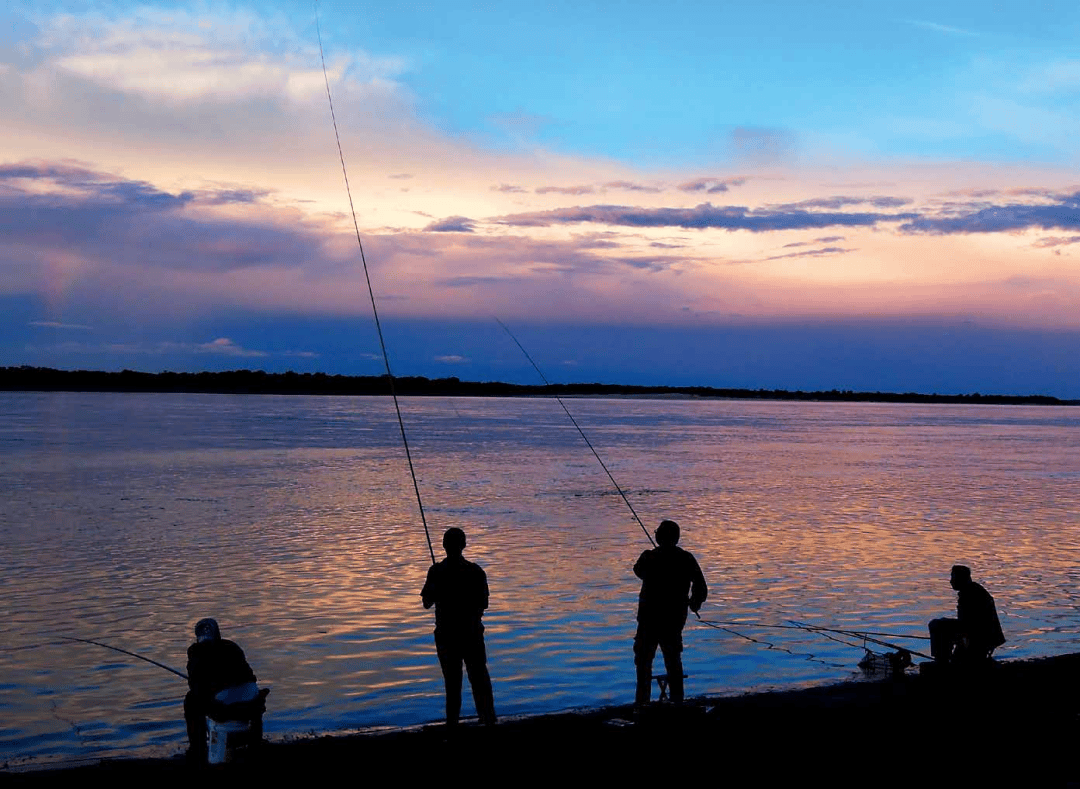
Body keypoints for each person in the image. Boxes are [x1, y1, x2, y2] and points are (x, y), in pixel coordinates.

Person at [421, 528, 496, 726]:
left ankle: (453, 724)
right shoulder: (476, 571)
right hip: (472, 633)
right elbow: (484, 604)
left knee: (452, 683)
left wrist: (437, 589)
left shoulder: (436, 571)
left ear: (444, 546)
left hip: (447, 636)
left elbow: (426, 603)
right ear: (464, 545)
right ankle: (488, 720)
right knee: (479, 678)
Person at [633, 519, 708, 705]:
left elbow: (638, 571)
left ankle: (642, 703)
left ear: (659, 537)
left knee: (644, 662)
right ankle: (677, 702)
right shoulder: (686, 558)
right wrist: (695, 603)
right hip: (674, 619)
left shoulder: (649, 557)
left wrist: (656, 558)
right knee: (673, 660)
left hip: (649, 619)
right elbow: (701, 586)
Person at [184, 618, 265, 761]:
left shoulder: (195, 651)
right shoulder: (232, 647)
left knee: (191, 700)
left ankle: (197, 749)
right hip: (250, 698)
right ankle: (255, 743)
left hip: (227, 705)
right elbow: (249, 676)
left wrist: (208, 690)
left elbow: (196, 686)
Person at [928, 565, 1006, 665]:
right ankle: (944, 658)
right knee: (941, 624)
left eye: (953, 578)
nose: (951, 581)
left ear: (961, 579)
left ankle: (941, 660)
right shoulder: (973, 590)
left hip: (981, 638)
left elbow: (970, 625)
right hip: (981, 635)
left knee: (936, 624)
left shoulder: (971, 594)